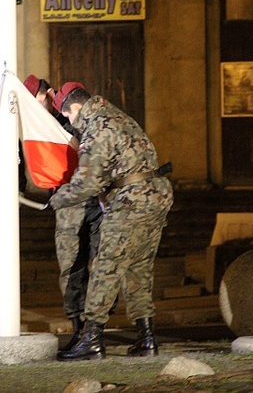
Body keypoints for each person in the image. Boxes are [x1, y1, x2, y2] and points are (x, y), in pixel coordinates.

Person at [48, 82, 173, 361]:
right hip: (156, 197)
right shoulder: (116, 115)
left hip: (131, 202)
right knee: (139, 269)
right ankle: (147, 337)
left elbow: (87, 183)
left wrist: (56, 200)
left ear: (77, 108)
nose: (71, 122)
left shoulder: (96, 127)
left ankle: (92, 339)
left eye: (68, 116)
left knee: (106, 269)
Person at [23, 75, 104, 356]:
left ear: (48, 96)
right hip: (66, 205)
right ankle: (79, 330)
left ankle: (96, 332)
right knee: (71, 270)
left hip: (92, 201)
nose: (36, 108)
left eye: (39, 101)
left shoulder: (74, 115)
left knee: (99, 267)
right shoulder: (39, 126)